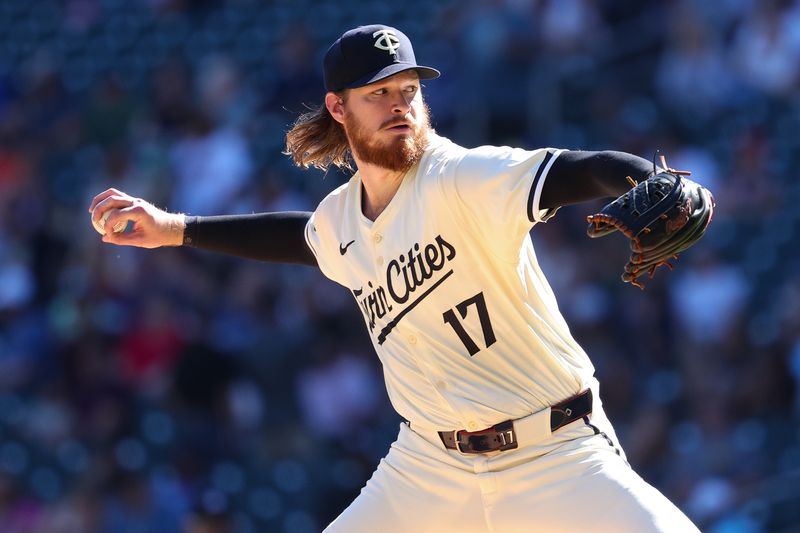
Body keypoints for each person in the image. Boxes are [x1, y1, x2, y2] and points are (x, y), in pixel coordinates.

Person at [89, 24, 702, 532]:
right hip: (431, 468)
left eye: (408, 89)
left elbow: (575, 170)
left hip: (556, 453)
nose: (399, 105)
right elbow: (295, 237)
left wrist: (641, 179)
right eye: (377, 94)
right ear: (337, 107)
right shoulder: (341, 222)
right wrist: (175, 227)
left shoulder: (461, 178)